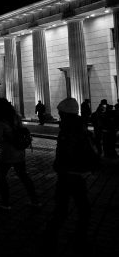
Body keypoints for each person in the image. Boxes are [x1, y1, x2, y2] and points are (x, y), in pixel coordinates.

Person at [44, 97, 101, 248]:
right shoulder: (81, 126)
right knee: (83, 208)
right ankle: (80, 236)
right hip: (79, 174)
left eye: (60, 112)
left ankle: (51, 237)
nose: (59, 114)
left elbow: (65, 154)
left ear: (65, 113)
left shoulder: (68, 129)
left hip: (69, 174)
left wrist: (59, 167)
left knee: (62, 209)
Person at [0, 98, 39, 210]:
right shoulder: (16, 117)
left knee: (1, 177)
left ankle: (5, 202)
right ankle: (35, 200)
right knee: (24, 176)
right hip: (19, 151)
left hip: (7, 153)